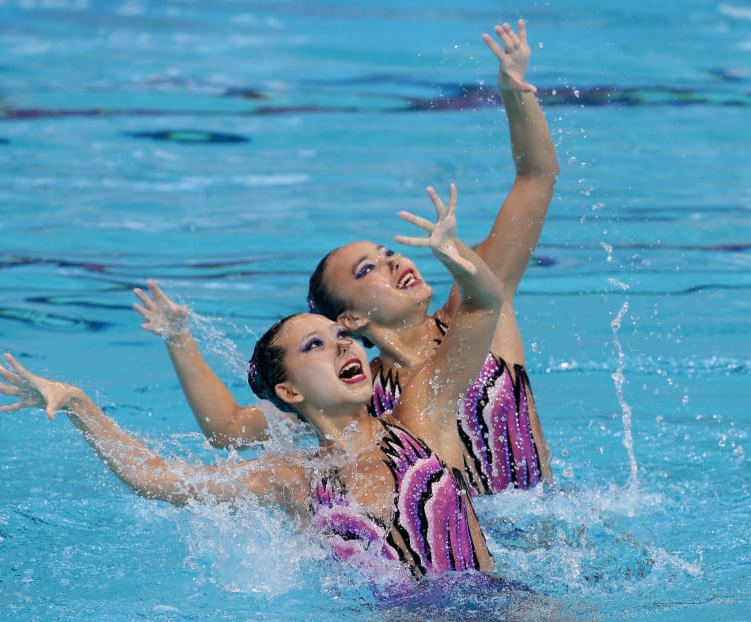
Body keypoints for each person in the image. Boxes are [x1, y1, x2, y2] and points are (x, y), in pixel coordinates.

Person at [0, 189, 504, 584]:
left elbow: (484, 305)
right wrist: (78, 405)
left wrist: (454, 253)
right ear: (291, 393)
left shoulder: (419, 414)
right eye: (316, 346)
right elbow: (158, 478)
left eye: (342, 337)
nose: (344, 347)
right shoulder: (292, 478)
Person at [134, 19, 558, 495]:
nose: (394, 262)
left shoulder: (477, 307)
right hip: (455, 537)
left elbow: (536, 178)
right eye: (367, 269)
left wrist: (515, 91)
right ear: (351, 319)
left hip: (546, 525)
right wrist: (178, 337)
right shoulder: (354, 396)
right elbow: (228, 429)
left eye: (388, 253)